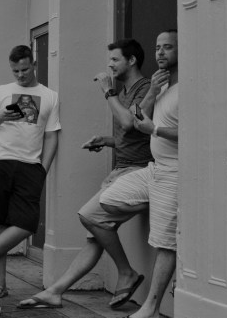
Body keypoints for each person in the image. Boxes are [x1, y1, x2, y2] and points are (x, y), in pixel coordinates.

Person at [19, 39, 152, 310]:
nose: (110, 65)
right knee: (96, 234)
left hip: (138, 172)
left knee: (90, 217)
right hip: (122, 169)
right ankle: (55, 292)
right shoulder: (126, 91)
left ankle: (126, 272)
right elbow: (132, 133)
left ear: (132, 61)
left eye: (115, 59)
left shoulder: (146, 89)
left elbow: (131, 121)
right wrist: (105, 139)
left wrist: (107, 92)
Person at [97, 30, 179, 318]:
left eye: (168, 47)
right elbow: (134, 121)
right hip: (153, 169)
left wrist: (154, 129)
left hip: (171, 172)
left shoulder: (182, 88)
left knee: (164, 242)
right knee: (107, 199)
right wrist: (154, 93)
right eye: (157, 47)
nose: (160, 53)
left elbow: (138, 124)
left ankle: (151, 306)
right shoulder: (162, 87)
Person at [0, 45, 60, 301]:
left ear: (34, 64)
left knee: (26, 223)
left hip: (31, 166)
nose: (20, 75)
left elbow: (52, 136)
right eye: (15, 70)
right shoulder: (1, 92)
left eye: (24, 69)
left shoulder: (50, 96)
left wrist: (44, 168)